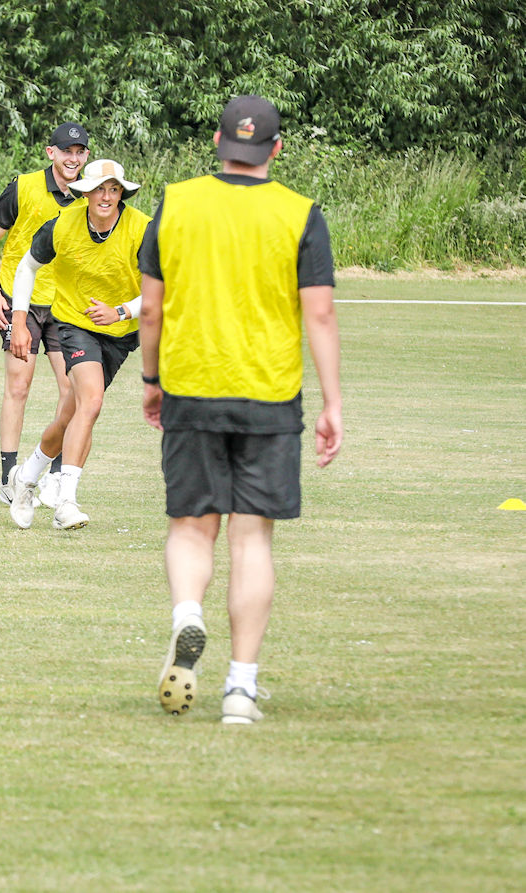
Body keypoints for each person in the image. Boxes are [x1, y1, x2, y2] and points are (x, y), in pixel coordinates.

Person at [141, 96, 342, 725]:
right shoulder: (300, 215)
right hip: (269, 396)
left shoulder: (176, 203)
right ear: (275, 150)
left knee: (192, 525)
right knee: (252, 537)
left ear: (217, 141)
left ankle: (187, 616)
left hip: (191, 387)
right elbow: (321, 314)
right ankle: (240, 691)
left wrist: (151, 379)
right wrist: (333, 403)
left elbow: (151, 308)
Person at [5, 159, 151, 531]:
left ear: (122, 193)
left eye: (114, 189)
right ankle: (65, 501)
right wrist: (19, 321)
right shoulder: (61, 226)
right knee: (92, 400)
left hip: (120, 332)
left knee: (72, 413)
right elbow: (26, 268)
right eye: (100, 188)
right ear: (85, 193)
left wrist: (121, 311)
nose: (106, 196)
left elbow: (164, 288)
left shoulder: (143, 229)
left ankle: (27, 475)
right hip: (73, 324)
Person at [0, 123, 88, 507]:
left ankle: (56, 476)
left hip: (65, 305)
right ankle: (9, 477)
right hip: (19, 300)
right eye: (66, 151)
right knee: (19, 387)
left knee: (73, 390)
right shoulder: (23, 187)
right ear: (51, 153)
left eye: (80, 152)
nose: (73, 158)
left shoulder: (90, 195)